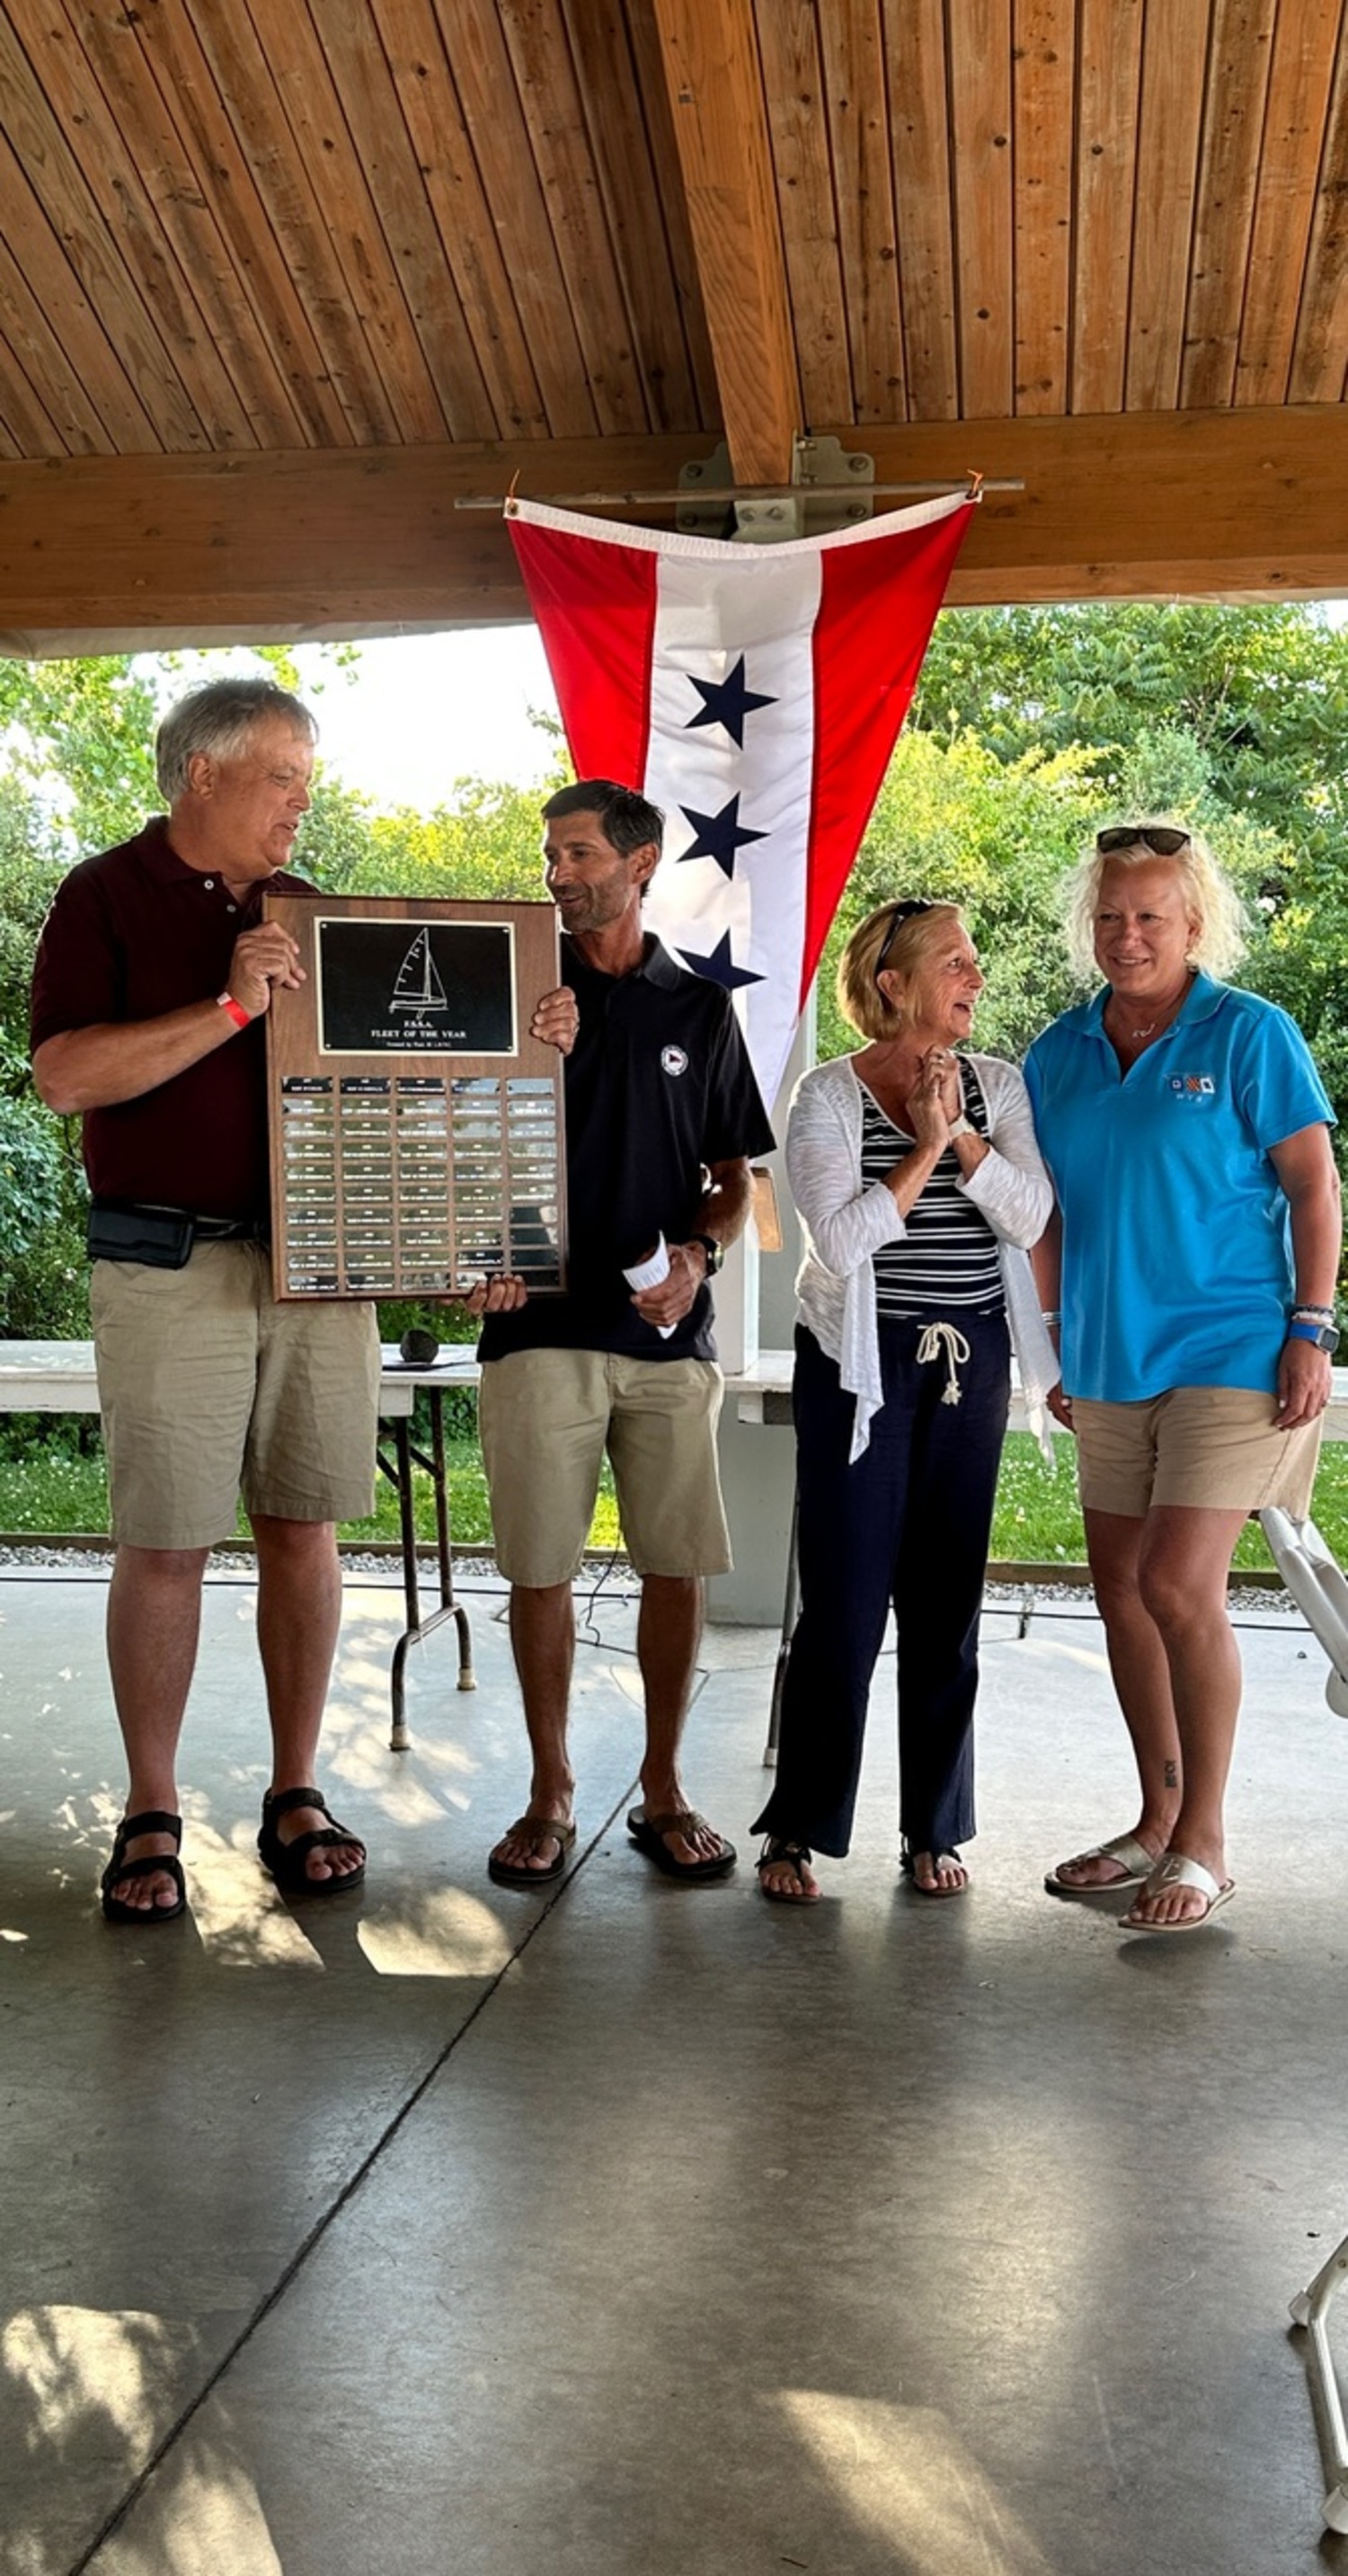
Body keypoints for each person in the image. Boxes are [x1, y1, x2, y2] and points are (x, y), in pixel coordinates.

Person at [30, 678, 380, 1923]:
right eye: (285, 773)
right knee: (167, 1540)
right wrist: (231, 1006)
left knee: (304, 1525)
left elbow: (399, 1087)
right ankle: (152, 1807)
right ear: (206, 776)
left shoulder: (322, 913)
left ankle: (296, 1791)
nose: (302, 798)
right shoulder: (100, 895)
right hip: (166, 1263)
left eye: (306, 777)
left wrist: (528, 1034)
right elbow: (65, 1076)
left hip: (319, 1269)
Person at [1027, 822, 1341, 1932]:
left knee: (1173, 1583)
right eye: (1110, 916)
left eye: (1151, 916)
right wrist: (1053, 1339)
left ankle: (1205, 1837)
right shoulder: (1057, 1051)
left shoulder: (1251, 1033)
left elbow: (1313, 1185)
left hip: (1233, 1347)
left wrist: (1312, 1324)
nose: (1127, 935)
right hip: (1111, 1351)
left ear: (1193, 922)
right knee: (1118, 1590)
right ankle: (1153, 1821)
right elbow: (1045, 1211)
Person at [468, 779, 776, 1889]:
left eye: (581, 853)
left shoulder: (698, 1008)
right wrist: (466, 1255)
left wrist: (698, 1259)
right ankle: (550, 1794)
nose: (559, 871)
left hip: (665, 1347)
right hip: (536, 1334)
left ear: (641, 865)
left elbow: (735, 1179)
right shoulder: (509, 991)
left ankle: (663, 1787)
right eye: (550, 853)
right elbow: (440, 1126)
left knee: (676, 1566)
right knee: (540, 1570)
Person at [751, 899, 1057, 1904]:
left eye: (976, 962)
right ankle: (796, 1827)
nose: (975, 977)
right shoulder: (827, 1097)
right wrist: (922, 1150)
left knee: (944, 1606)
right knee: (841, 1606)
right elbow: (837, 1244)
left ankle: (933, 1828)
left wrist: (962, 1135)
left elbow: (1030, 1212)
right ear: (892, 981)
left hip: (969, 1364)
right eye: (955, 962)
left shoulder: (999, 1085)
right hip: (856, 1367)